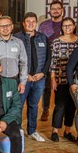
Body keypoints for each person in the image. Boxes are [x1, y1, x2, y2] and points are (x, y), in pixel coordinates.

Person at [14, 12, 51, 142]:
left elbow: (48, 58)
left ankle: (32, 131)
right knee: (18, 106)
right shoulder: (16, 38)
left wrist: (43, 73)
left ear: (36, 23)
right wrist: (24, 76)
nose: (30, 24)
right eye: (28, 22)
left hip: (39, 79)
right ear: (23, 24)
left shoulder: (43, 38)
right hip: (23, 80)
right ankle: (17, 130)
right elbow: (14, 60)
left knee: (34, 106)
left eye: (33, 22)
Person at [49, 17, 78, 142]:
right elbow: (53, 62)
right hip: (61, 78)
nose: (67, 28)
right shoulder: (56, 42)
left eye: (70, 25)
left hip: (75, 80)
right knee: (60, 105)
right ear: (61, 28)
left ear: (74, 26)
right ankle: (55, 131)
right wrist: (53, 78)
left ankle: (67, 131)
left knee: (72, 106)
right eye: (65, 26)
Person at [0, 16, 28, 94]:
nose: (5, 28)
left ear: (12, 26)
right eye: (2, 26)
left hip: (14, 81)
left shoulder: (19, 43)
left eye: (7, 25)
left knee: (14, 102)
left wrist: (23, 82)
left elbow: (23, 63)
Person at [39, 0, 65, 121]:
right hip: (47, 59)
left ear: (62, 10)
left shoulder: (66, 24)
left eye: (58, 8)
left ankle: (60, 110)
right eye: (53, 9)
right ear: (50, 11)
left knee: (62, 86)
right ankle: (45, 109)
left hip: (63, 59)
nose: (55, 11)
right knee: (47, 86)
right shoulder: (44, 25)